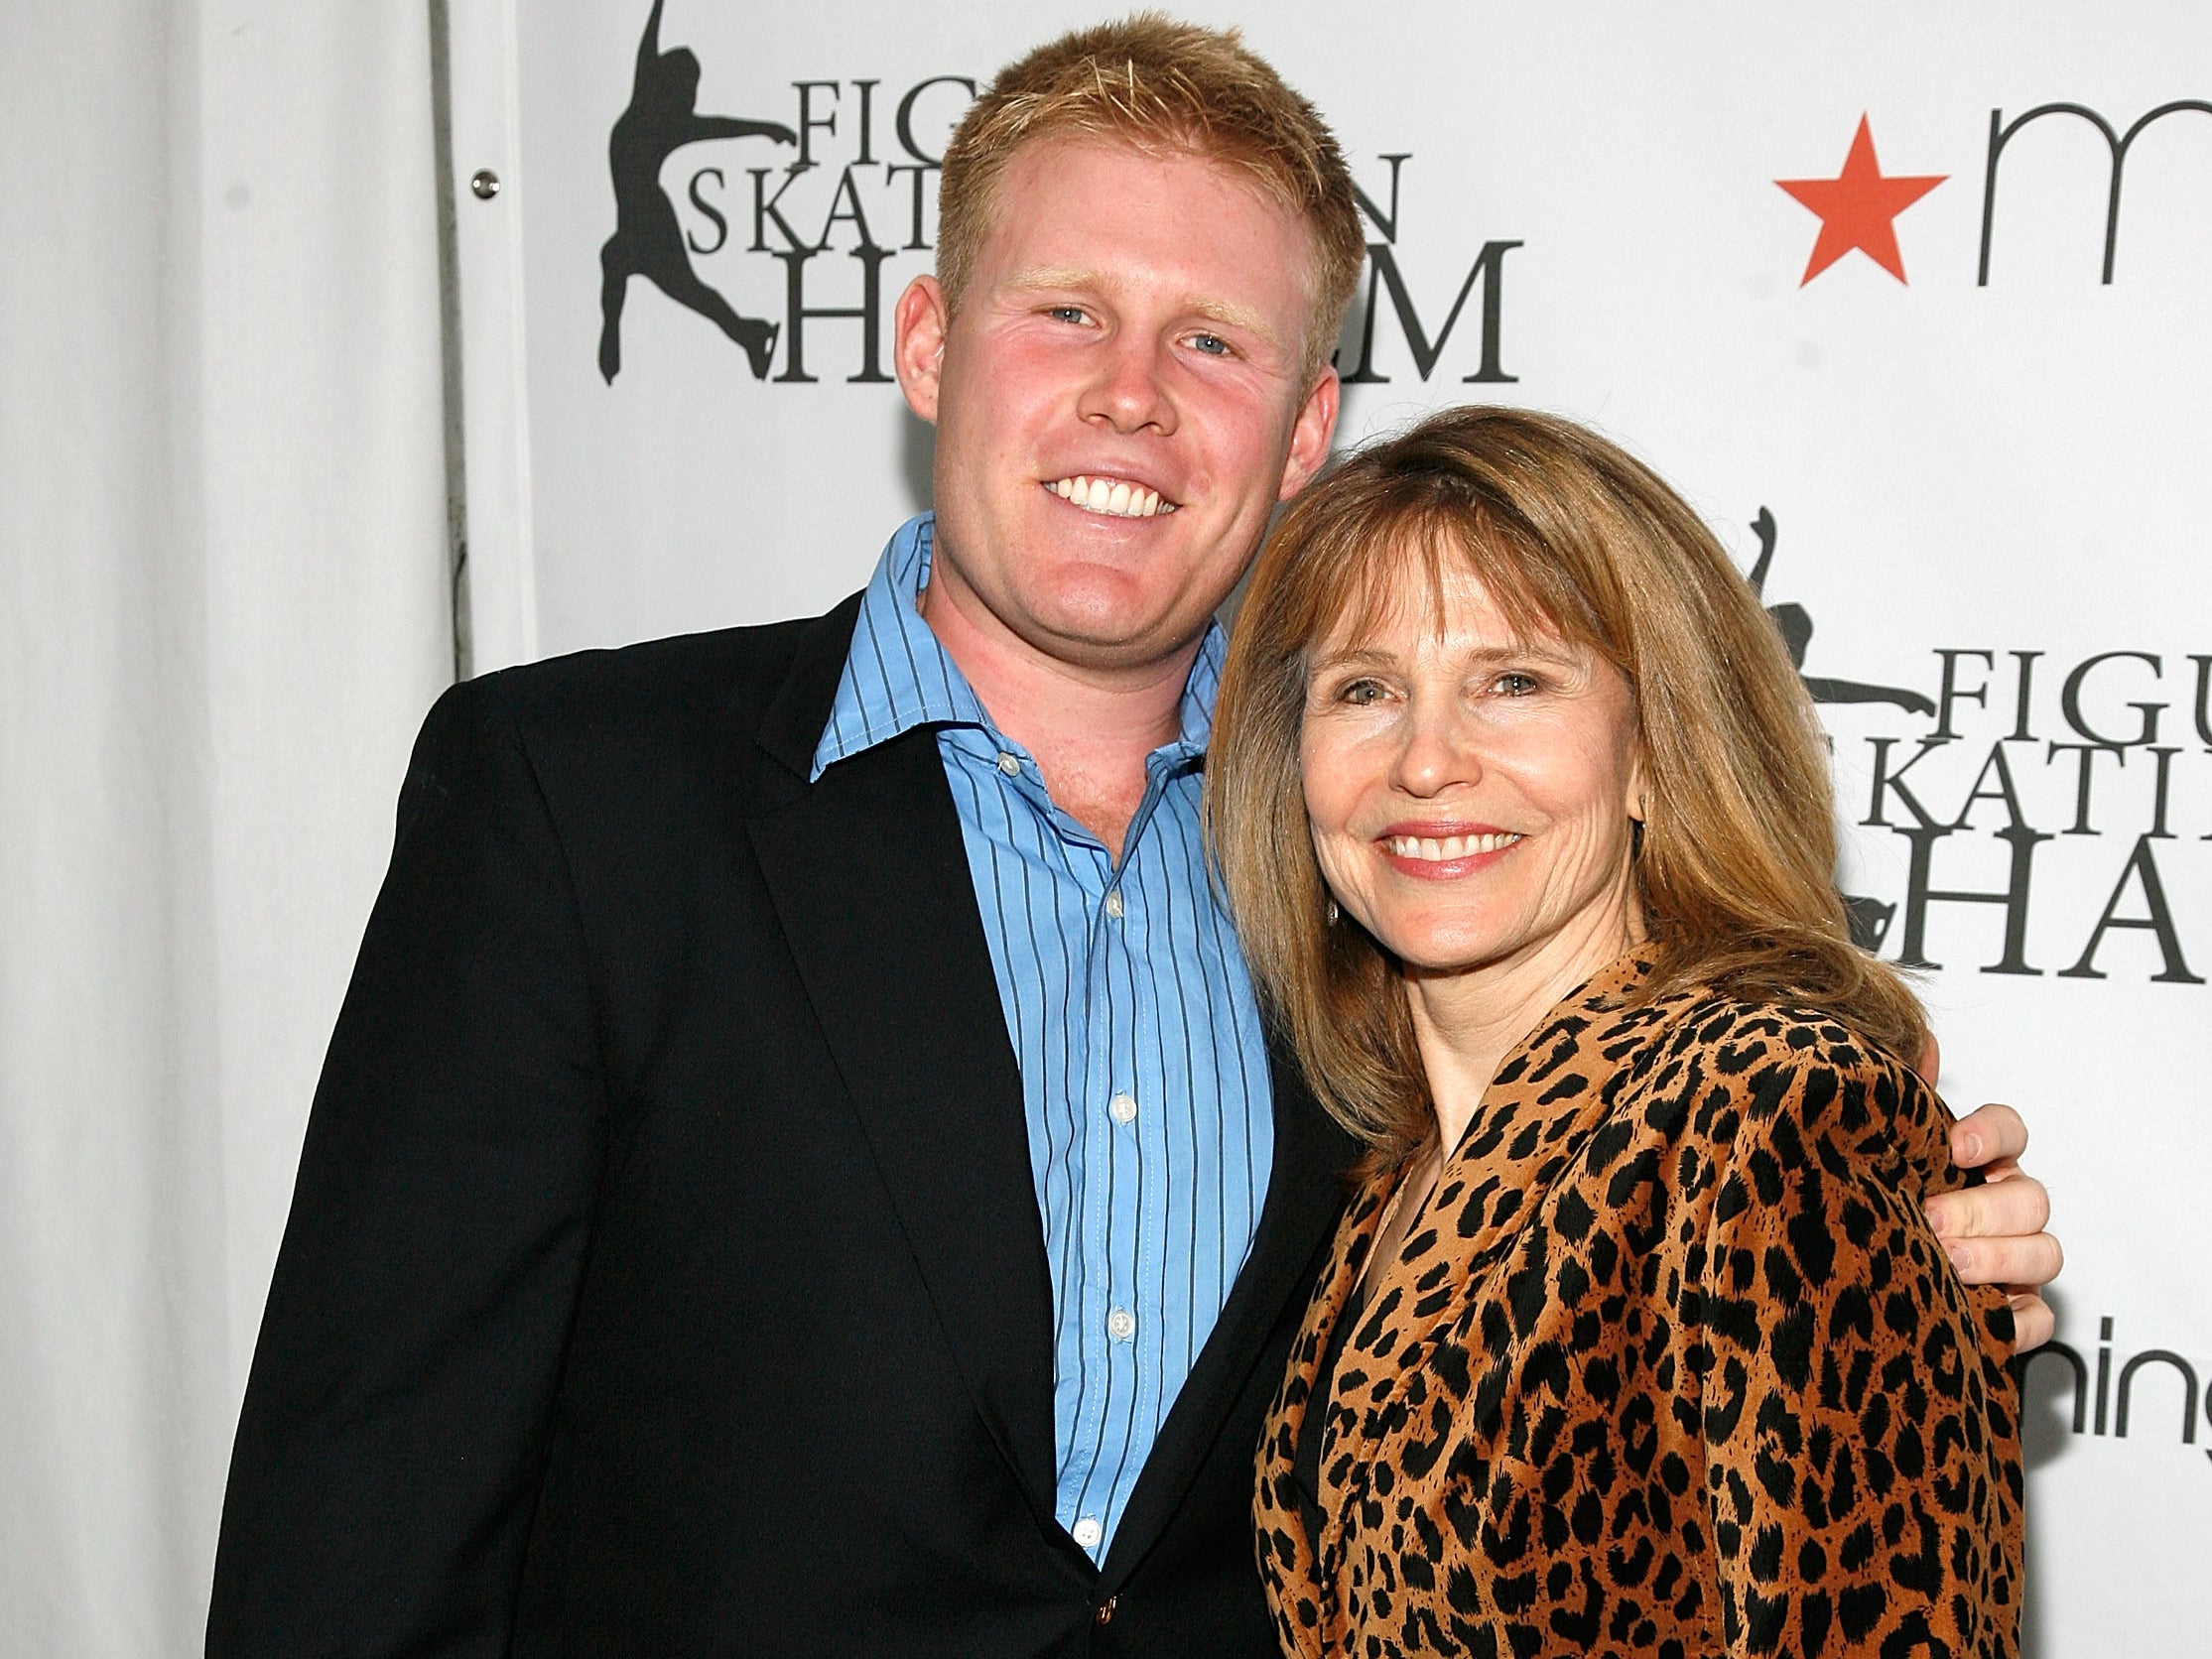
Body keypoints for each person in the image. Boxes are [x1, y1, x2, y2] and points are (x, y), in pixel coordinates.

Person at [205, 19, 2054, 1658]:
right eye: (1065, 309)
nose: (1130, 395)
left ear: (1306, 425)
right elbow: (361, 1513)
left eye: (1214, 338)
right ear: (927, 341)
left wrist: (1886, 1255)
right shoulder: (574, 796)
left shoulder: (1378, 889)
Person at [1207, 406, 2024, 1657]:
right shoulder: (1378, 1175)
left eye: (1514, 682)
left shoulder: (1763, 1118)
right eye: (1365, 688)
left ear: (1652, 756)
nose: (1426, 759)